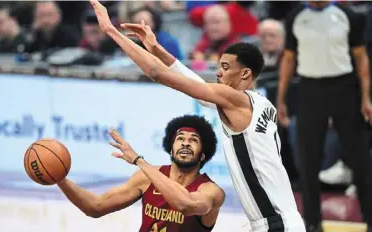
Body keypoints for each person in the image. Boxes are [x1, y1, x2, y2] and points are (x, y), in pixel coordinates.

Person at [89, 0, 306, 231]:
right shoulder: (261, 104)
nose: (218, 72)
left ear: (244, 73)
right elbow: (201, 89)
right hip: (281, 219)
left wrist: (112, 31)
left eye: (224, 67)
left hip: (274, 223)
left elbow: (156, 73)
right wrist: (157, 49)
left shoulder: (234, 98)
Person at [277, 1, 372, 231]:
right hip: (310, 88)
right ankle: (312, 222)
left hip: (346, 88)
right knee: (308, 160)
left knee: (360, 159)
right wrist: (281, 98)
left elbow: (361, 57)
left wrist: (366, 97)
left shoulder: (347, 14)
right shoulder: (296, 16)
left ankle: (370, 219)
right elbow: (288, 58)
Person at [57, 115, 225, 231]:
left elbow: (186, 204)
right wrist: (60, 179)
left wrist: (139, 161)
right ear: (171, 150)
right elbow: (96, 206)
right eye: (180, 139)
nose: (185, 144)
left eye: (193, 140)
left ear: (203, 154)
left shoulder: (211, 191)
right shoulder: (146, 177)